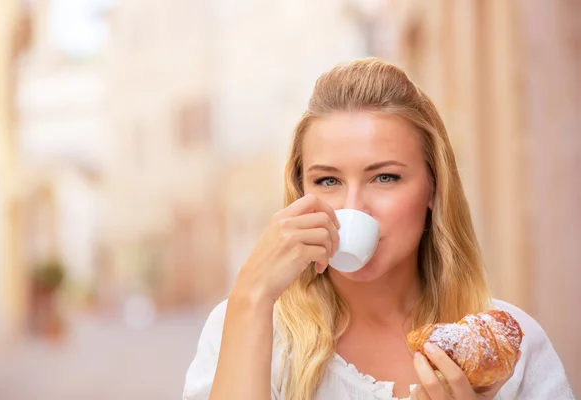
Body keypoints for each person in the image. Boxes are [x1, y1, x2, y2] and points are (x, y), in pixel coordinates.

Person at [182, 58, 575, 400]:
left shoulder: (507, 348)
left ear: (433, 189)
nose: (353, 209)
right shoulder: (253, 327)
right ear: (301, 192)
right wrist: (251, 293)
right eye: (328, 181)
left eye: (384, 178)